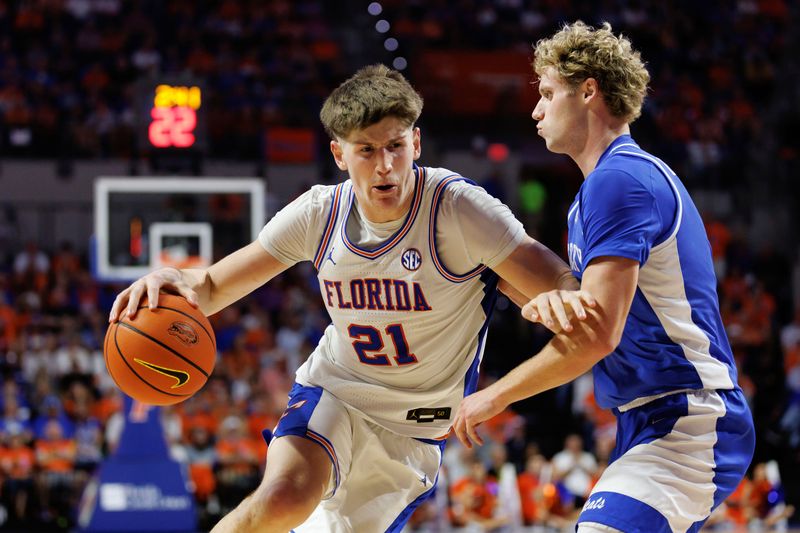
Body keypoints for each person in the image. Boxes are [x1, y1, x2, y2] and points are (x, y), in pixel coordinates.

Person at [109, 64, 592, 532]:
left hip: (414, 428)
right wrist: (175, 278)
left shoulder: (459, 209)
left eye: (395, 147)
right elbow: (212, 286)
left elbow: (556, 279)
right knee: (281, 499)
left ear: (416, 144)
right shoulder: (320, 213)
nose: (384, 165)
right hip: (337, 390)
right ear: (339, 154)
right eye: (366, 150)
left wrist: (562, 297)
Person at [453, 21, 755, 533]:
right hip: (648, 418)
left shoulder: (618, 182)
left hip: (688, 414)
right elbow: (586, 308)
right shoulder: (604, 187)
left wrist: (494, 395)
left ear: (588, 90)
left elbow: (595, 334)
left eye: (548, 93)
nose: (536, 109)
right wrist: (532, 291)